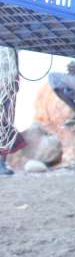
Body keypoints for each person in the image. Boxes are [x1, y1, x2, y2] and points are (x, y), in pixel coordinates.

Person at [0, 47, 25, 175]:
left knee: (5, 123)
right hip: (6, 82)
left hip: (8, 83)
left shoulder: (10, 34)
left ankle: (1, 163)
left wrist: (13, 83)